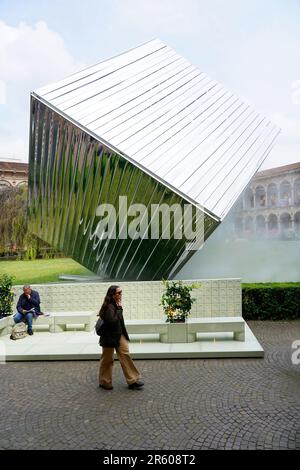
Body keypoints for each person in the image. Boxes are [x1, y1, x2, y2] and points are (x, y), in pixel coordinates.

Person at [98, 285, 144, 390]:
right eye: (118, 293)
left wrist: (124, 333)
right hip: (109, 337)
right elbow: (112, 321)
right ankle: (105, 382)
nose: (120, 294)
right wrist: (119, 309)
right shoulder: (109, 306)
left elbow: (119, 322)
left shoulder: (116, 305)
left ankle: (133, 380)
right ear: (112, 295)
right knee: (107, 359)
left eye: (121, 292)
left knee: (125, 355)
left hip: (119, 335)